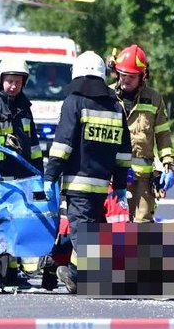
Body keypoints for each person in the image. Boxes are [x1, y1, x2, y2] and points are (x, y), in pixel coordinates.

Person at [44, 51, 132, 293]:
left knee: (82, 232)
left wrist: (50, 176)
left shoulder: (75, 101)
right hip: (103, 185)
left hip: (77, 185)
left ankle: (96, 277)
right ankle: (74, 275)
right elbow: (124, 152)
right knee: (91, 230)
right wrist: (121, 184)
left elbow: (63, 145)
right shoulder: (116, 107)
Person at [111, 44, 174, 222]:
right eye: (122, 75)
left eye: (131, 76)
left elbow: (163, 134)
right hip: (112, 177)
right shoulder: (107, 96)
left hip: (142, 182)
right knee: (111, 228)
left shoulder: (154, 99)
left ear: (143, 75)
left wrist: (168, 165)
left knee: (142, 229)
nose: (125, 80)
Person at [0, 57, 44, 179]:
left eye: (18, 82)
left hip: (23, 177)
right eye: (10, 81)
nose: (14, 86)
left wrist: (40, 176)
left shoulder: (24, 106)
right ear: (1, 80)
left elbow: (34, 146)